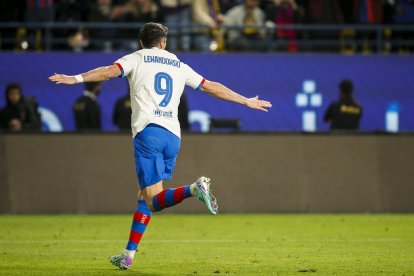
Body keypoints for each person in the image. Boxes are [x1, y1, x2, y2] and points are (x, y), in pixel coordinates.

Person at [49, 22, 271, 271]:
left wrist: (75, 78)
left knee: (154, 200)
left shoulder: (136, 58)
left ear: (141, 42)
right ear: (163, 42)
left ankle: (193, 189)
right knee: (144, 196)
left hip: (148, 133)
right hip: (172, 137)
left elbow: (108, 72)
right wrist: (245, 101)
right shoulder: (178, 64)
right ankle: (128, 254)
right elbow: (211, 86)